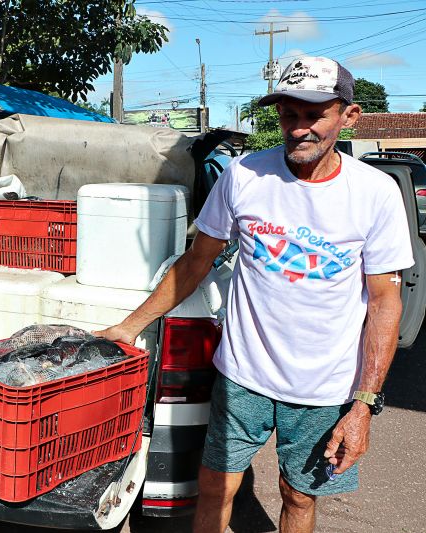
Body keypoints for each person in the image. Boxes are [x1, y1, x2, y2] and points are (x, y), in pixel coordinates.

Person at [96, 56, 414, 533]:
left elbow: (386, 301)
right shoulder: (244, 176)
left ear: (348, 116)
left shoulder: (375, 192)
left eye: (314, 115)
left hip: (324, 387)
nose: (299, 129)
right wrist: (129, 325)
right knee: (214, 485)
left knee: (299, 496)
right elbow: (196, 263)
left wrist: (364, 404)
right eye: (289, 115)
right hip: (243, 375)